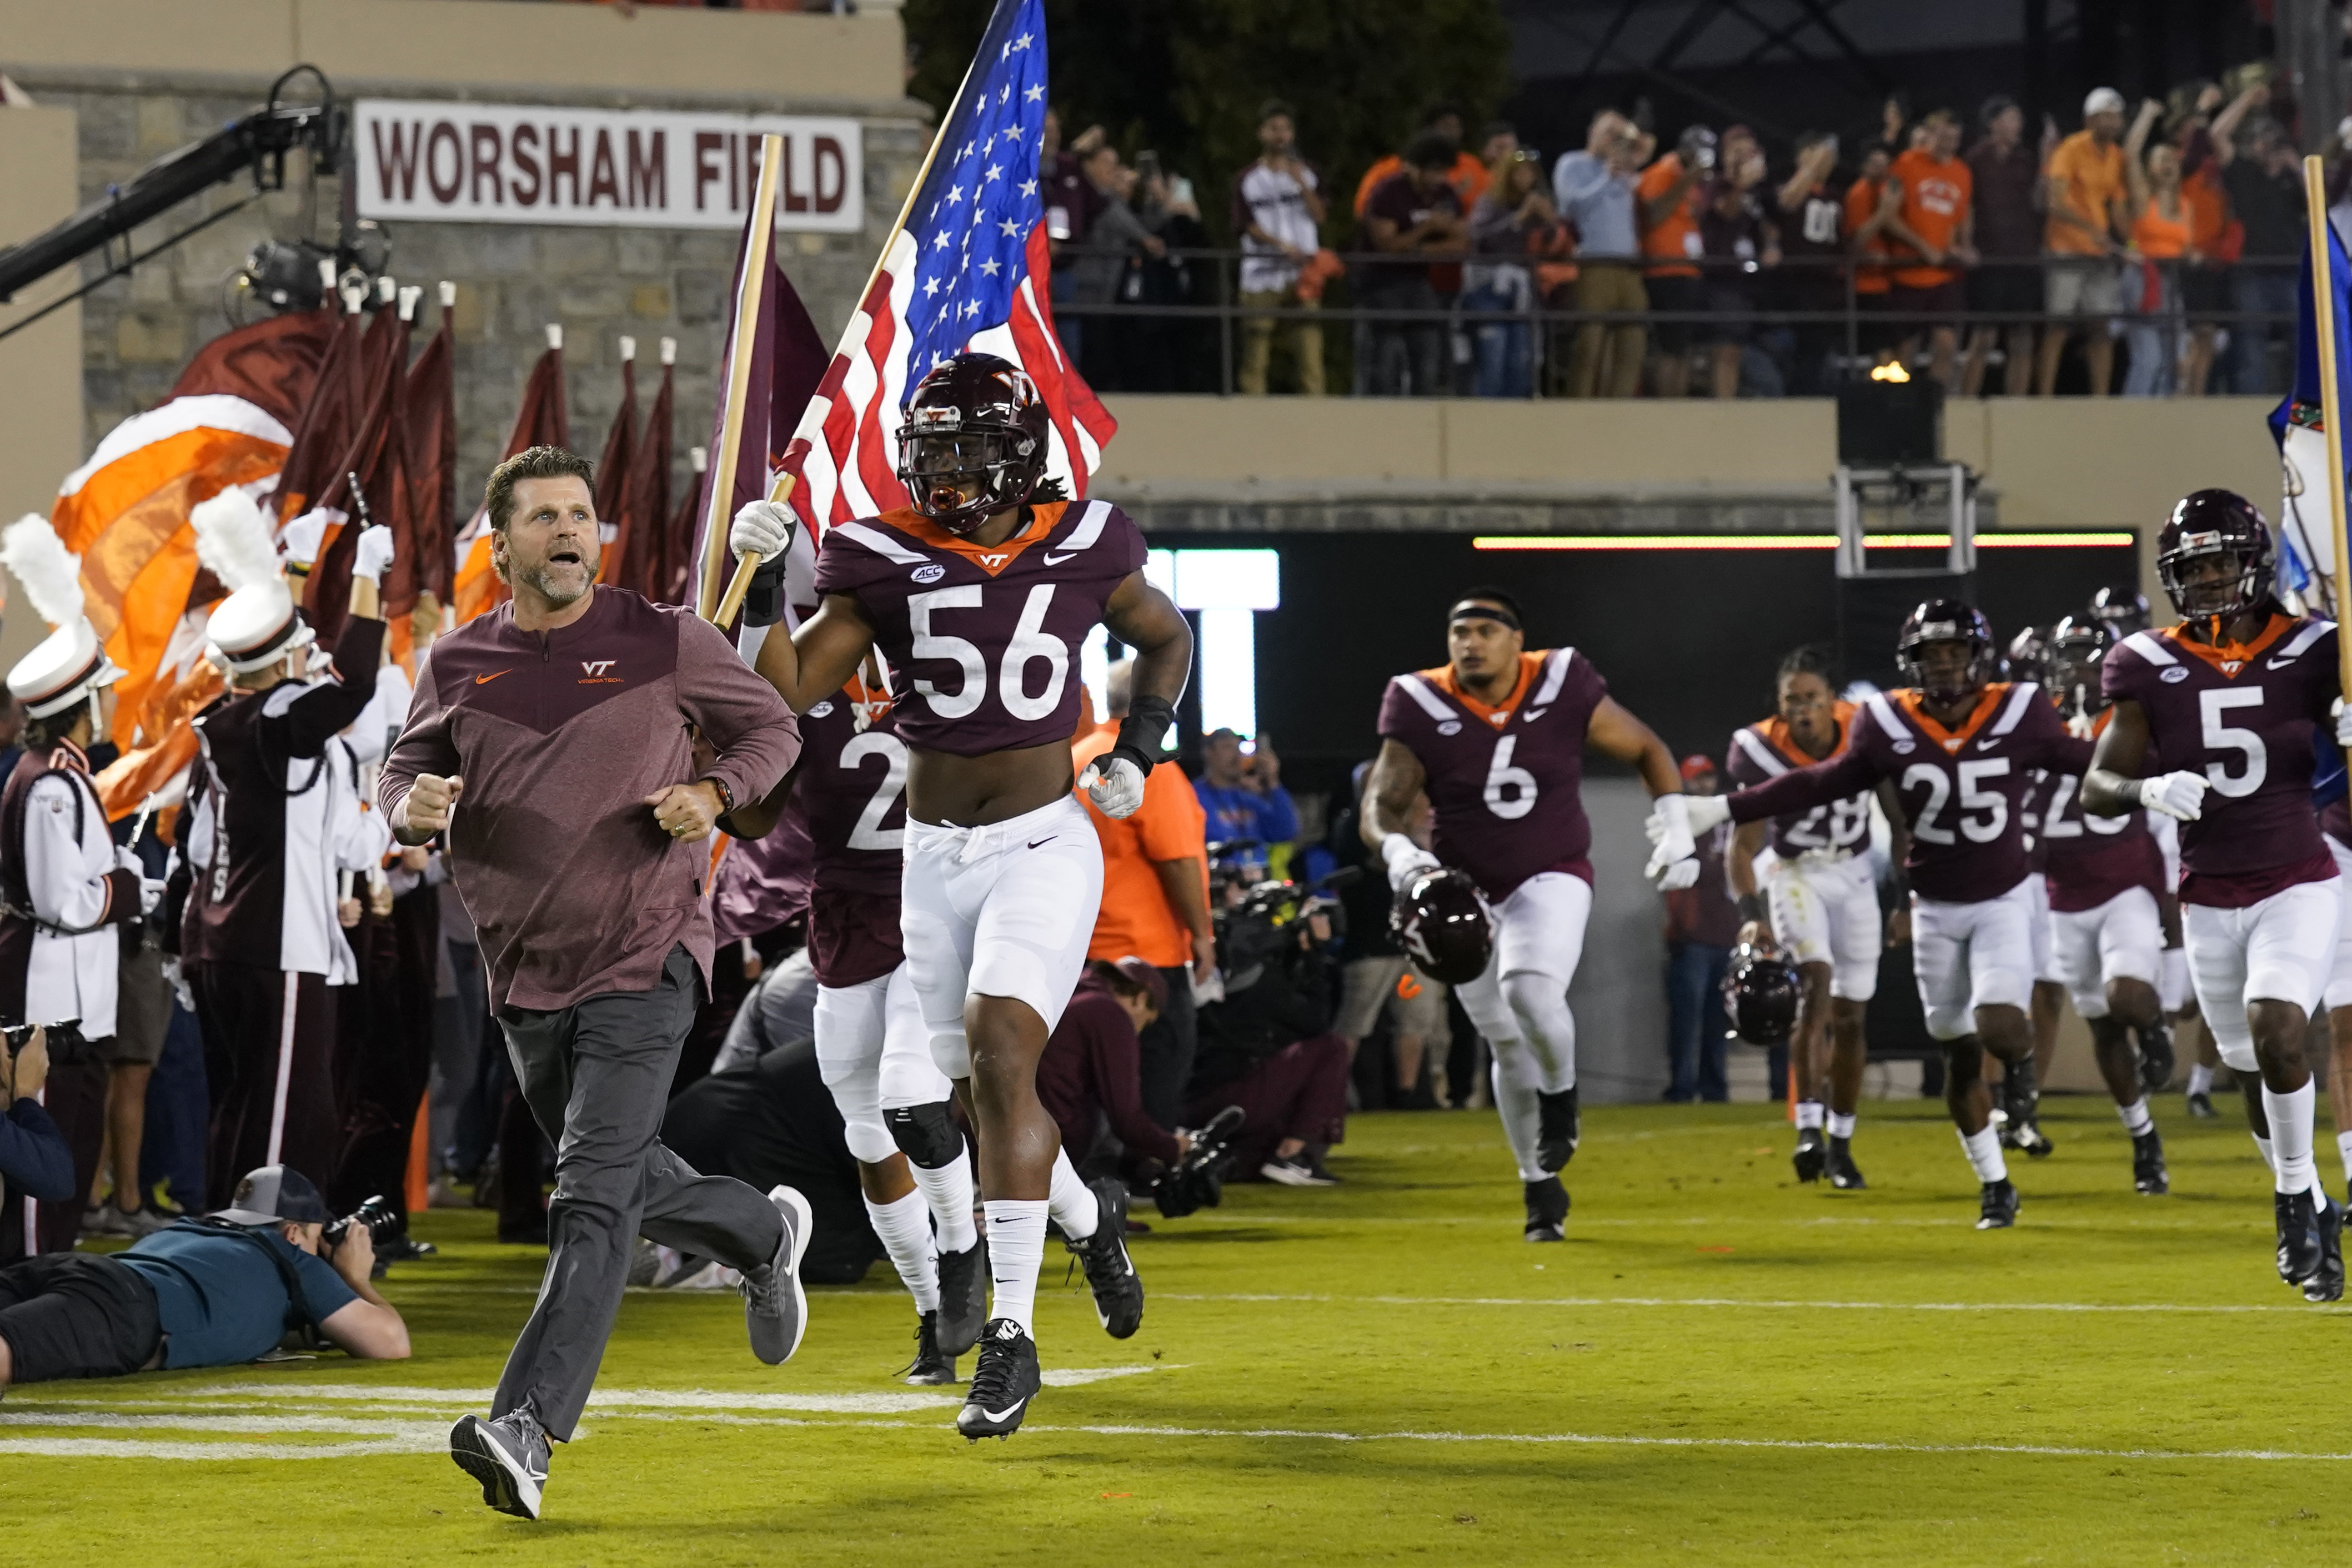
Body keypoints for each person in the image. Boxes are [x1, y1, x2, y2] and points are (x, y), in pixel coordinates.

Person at [734, 351, 1193, 1440]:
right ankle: (1091, 1218)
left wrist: (1139, 740)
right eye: (929, 450)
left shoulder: (1087, 540)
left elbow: (1164, 635)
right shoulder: (880, 552)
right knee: (951, 1088)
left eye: (965, 449)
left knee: (997, 1058)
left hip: (1043, 842)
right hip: (928, 859)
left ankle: (1012, 1335)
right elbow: (788, 692)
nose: (944, 471)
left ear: (1018, 452)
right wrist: (760, 586)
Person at [381, 444, 808, 1518]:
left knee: (587, 1196)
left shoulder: (668, 637)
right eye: (543, 517)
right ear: (503, 543)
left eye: (580, 513)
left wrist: (714, 790)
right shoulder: (457, 658)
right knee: (619, 1179)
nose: (567, 529)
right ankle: (763, 1234)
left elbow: (773, 728)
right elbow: (405, 763)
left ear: (597, 536)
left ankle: (525, 1424)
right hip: (524, 973)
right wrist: (408, 804)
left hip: (647, 952)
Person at [1670, 601, 2093, 1230]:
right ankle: (1979, 1180)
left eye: (1954, 653)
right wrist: (1726, 811)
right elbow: (1813, 787)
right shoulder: (1872, 724)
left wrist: (2159, 776)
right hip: (1865, 889)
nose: (1944, 666)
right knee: (1915, 1036)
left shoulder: (2006, 709)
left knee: (1987, 1021)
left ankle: (2006, 1083)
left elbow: (2079, 762)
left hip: (1957, 889)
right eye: (1932, 655)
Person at [2083, 489, 2351, 1302]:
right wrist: (2144, 789)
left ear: (2250, 563)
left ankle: (2288, 1203)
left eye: (2217, 561)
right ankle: (2316, 1207)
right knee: (2245, 1069)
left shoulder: (2317, 649)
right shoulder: (2143, 663)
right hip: (2206, 893)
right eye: (2190, 565)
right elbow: (2096, 787)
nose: (2203, 578)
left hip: (2297, 877)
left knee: (2279, 1032)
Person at [1365, 587, 1688, 1242]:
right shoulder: (1418, 699)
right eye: (1460, 632)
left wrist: (1676, 825)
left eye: (1485, 630)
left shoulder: (1563, 680)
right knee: (1505, 1042)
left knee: (1529, 990)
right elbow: (1381, 802)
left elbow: (1646, 748)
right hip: (1465, 895)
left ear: (1518, 641)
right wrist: (1401, 853)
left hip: (1554, 872)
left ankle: (1561, 1097)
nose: (1470, 643)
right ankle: (1537, 1185)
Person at [719, 662, 987, 1386]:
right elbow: (752, 810)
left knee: (909, 1092)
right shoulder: (801, 685)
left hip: (931, 916)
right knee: (867, 1135)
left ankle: (964, 1250)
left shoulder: (947, 667)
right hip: (842, 924)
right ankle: (935, 1314)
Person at [179, 488, 393, 1210]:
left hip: (219, 944)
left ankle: (225, 1251)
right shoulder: (279, 723)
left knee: (239, 1112)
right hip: (278, 950)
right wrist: (367, 574)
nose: (311, 648)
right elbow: (354, 681)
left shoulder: (229, 722)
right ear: (281, 664)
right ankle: (256, 1264)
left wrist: (297, 562)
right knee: (283, 1125)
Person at [0, 516, 153, 1257]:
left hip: (66, 988)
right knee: (48, 1143)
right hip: (51, 988)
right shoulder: (55, 784)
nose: (112, 706)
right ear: (81, 705)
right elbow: (69, 901)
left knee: (71, 1133)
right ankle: (34, 1272)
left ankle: (48, 1266)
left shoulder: (62, 776)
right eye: (103, 696)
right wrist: (128, 887)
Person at [0, 1163, 407, 1394]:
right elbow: (389, 1343)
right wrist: (355, 1279)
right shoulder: (291, 1256)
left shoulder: (194, 1230)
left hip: (71, 1269)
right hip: (125, 1304)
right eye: (318, 1238)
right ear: (294, 1232)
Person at [1723, 647, 1877, 1187]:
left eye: (1812, 698)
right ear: (1780, 704)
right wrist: (1750, 913)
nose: (1802, 709)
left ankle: (1841, 1140)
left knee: (1852, 1015)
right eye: (1792, 700)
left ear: (1832, 702)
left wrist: (1902, 893)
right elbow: (1740, 846)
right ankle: (1808, 1128)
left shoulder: (1865, 729)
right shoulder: (1759, 748)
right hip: (1793, 873)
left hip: (1855, 873)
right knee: (1814, 986)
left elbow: (1897, 810)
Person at [2038, 615, 2173, 1194]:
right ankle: (2142, 1136)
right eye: (2067, 659)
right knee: (2099, 1024)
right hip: (2062, 895)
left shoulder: (2128, 714)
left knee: (2127, 994)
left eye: (2087, 660)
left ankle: (2156, 1029)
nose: (2077, 671)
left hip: (2124, 881)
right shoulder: (2034, 719)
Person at [1075, 658, 1215, 1128]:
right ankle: (1147, 1165)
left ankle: (1092, 1171)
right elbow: (1175, 857)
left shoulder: (1076, 759)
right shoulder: (1147, 764)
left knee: (1087, 1077)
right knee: (1157, 1071)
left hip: (1078, 950)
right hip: (1146, 955)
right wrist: (1201, 935)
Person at [660, 1036, 899, 1293]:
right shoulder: (894, 1062)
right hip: (744, 1135)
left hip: (755, 1128)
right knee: (829, 1254)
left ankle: (706, 1242)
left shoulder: (889, 1043)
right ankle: (729, 1254)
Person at [1188, 884, 1351, 1185]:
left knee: (1259, 1146)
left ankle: (1217, 1158)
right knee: (1331, 1049)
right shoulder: (1263, 981)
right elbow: (1318, 1024)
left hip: (1189, 1104)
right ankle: (1295, 1157)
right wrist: (1313, 954)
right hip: (1230, 1096)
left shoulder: (1197, 968)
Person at [1038, 957, 1187, 1175]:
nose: (1138, 1033)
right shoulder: (1109, 1013)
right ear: (1141, 999)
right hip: (1051, 1141)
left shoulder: (1068, 988)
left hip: (995, 1127)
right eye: (1145, 1023)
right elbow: (1127, 1120)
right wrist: (1174, 1147)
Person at [2037, 88, 2130, 397]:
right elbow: (2055, 200)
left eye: (2116, 115)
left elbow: (2116, 205)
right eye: (2107, 115)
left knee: (2101, 327)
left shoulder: (2116, 156)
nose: (2113, 122)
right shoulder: (2070, 149)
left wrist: (2129, 243)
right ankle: (2045, 398)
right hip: (2066, 249)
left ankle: (2100, 398)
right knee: (2059, 326)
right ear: (2090, 119)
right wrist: (2089, 227)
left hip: (2099, 252)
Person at [1360, 132, 1468, 397]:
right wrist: (1426, 228)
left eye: (1444, 171)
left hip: (1418, 280)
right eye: (1434, 171)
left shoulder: (1444, 194)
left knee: (1428, 352)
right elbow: (1387, 246)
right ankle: (1382, 418)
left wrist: (1419, 249)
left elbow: (1463, 242)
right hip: (1380, 281)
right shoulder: (1387, 192)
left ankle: (1425, 416)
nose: (1440, 178)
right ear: (1413, 168)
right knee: (1383, 361)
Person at [1553, 110, 1651, 398]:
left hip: (1628, 266)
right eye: (1610, 133)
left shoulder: (1625, 173)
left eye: (1621, 136)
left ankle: (1618, 408)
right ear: (1592, 131)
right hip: (1593, 263)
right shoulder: (1573, 163)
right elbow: (1571, 205)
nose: (1615, 141)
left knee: (1632, 343)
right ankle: (1579, 406)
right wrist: (1605, 176)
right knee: (1589, 343)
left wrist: (1635, 162)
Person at [1232, 99, 1327, 397]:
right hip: (1262, 274)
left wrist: (1300, 182)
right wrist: (1281, 246)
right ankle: (1253, 414)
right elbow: (1244, 224)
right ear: (1262, 133)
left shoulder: (1309, 173)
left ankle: (1316, 412)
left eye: (1285, 129)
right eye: (1274, 129)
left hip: (1303, 276)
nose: (1280, 135)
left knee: (1310, 352)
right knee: (1256, 353)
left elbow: (1321, 215)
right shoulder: (1248, 178)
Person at [1963, 98, 2050, 397]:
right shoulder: (1974, 159)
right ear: (1993, 123)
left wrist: (2046, 163)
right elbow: (1967, 206)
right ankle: (1967, 399)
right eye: (2012, 119)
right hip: (1989, 257)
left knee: (2022, 335)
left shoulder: (2026, 161)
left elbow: (2039, 203)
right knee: (1984, 335)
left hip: (2023, 257)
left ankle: (2017, 403)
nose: (2018, 126)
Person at [1661, 756, 1737, 1100]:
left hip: (1726, 935)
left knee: (1716, 1023)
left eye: (1708, 777)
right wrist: (1676, 932)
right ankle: (1682, 1086)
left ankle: (1714, 1088)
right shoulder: (1681, 824)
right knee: (1686, 1023)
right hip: (1693, 939)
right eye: (1697, 779)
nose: (1704, 784)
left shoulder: (1727, 821)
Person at [1885, 108, 1976, 390]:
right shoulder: (1905, 164)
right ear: (1931, 135)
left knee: (1947, 343)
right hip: (1909, 272)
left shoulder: (1962, 172)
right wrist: (1923, 247)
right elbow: (1889, 216)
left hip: (1943, 275)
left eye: (1955, 139)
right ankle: (1901, 402)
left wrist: (1964, 247)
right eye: (1944, 137)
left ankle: (1937, 402)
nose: (1949, 145)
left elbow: (1963, 215)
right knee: (1906, 348)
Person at [1465, 148, 1559, 398]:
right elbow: (1480, 239)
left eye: (1530, 172)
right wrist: (1519, 218)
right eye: (1519, 171)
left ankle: (1515, 424)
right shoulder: (1489, 202)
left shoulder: (1538, 205)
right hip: (1488, 287)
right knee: (1493, 355)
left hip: (1521, 292)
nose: (1524, 178)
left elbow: (1555, 246)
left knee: (1521, 359)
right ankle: (1484, 419)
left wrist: (1551, 222)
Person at [2219, 116, 2303, 395]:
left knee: (2304, 341)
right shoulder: (2243, 173)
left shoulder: (2292, 181)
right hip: (2251, 272)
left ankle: (2305, 405)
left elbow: (2324, 207)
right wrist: (2248, 99)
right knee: (2251, 342)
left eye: (2274, 140)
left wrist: (2299, 170)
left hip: (2290, 271)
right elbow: (2218, 135)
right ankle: (2250, 405)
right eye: (2261, 139)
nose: (2267, 145)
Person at [1695, 128, 1777, 398]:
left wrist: (1771, 245)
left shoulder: (1757, 193)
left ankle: (1731, 403)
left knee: (1738, 348)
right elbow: (1725, 213)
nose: (1746, 158)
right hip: (1721, 278)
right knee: (1725, 347)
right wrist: (1741, 184)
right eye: (1739, 152)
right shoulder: (1717, 184)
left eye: (1750, 152)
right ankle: (1723, 407)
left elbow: (1765, 226)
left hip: (1748, 282)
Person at [2118, 98, 2190, 398]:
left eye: (2172, 159)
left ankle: (2164, 420)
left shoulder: (2185, 206)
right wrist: (2147, 114)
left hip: (2173, 281)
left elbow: (2185, 246)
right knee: (2150, 360)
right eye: (2161, 159)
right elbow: (2130, 153)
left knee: (2175, 361)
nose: (2168, 164)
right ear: (2151, 167)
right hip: (2144, 278)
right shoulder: (2143, 199)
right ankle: (2134, 419)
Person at [1637, 127, 1714, 396]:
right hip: (1665, 271)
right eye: (1695, 151)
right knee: (1671, 347)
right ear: (1684, 150)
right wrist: (1686, 181)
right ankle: (1667, 407)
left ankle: (1679, 405)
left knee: (1685, 347)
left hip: (1688, 269)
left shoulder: (1690, 181)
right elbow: (1653, 214)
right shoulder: (1662, 172)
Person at [1771, 130, 1849, 395]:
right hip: (1797, 284)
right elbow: (1786, 203)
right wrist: (1811, 167)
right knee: (1798, 353)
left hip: (1827, 287)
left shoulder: (1836, 197)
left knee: (1820, 355)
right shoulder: (1786, 187)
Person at [1195, 727, 1297, 880]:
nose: (1237, 755)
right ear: (1208, 752)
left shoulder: (1248, 798)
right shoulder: (1194, 796)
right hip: (1218, 888)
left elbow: (1285, 831)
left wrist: (1273, 782)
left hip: (1256, 887)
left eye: (1239, 748)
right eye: (1228, 748)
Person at [1354, 104, 1488, 218]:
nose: (1451, 133)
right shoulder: (1389, 168)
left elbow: (1475, 219)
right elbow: (1363, 212)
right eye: (1445, 126)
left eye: (1456, 127)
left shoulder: (1472, 165)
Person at [1846, 141, 1903, 367]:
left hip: (1886, 282)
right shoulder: (1858, 194)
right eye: (1875, 164)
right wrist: (1883, 215)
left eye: (1884, 165)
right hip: (1866, 286)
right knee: (1880, 349)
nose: (1881, 170)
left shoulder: (1884, 191)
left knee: (1892, 344)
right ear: (1863, 166)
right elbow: (1856, 240)